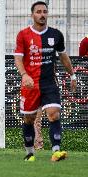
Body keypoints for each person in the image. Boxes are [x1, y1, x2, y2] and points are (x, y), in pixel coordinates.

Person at [14, 1, 77, 162]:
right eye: (39, 12)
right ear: (32, 15)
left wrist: (72, 75)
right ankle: (29, 152)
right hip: (30, 85)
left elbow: (63, 56)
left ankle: (56, 151)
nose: (42, 14)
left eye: (45, 11)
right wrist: (24, 75)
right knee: (29, 119)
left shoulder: (56, 34)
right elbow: (18, 58)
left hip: (49, 83)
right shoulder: (23, 35)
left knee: (54, 114)